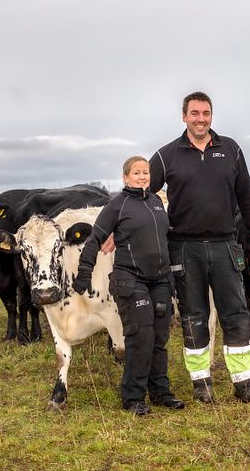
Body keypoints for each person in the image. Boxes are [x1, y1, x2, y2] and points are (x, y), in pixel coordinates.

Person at [149, 91, 250, 404]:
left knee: (236, 313)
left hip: (225, 244)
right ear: (184, 116)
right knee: (193, 315)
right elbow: (140, 193)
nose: (201, 119)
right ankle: (201, 381)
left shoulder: (230, 149)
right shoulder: (166, 156)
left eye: (206, 113)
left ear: (211, 116)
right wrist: (114, 226)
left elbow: (247, 196)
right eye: (195, 113)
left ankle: (245, 382)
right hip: (184, 248)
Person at [73, 156, 184, 416]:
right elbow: (94, 239)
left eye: (146, 172)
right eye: (137, 172)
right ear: (125, 177)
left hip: (160, 280)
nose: (143, 176)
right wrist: (84, 273)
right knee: (140, 336)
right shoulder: (117, 205)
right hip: (131, 280)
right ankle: (133, 396)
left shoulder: (157, 202)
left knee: (160, 336)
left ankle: (160, 392)